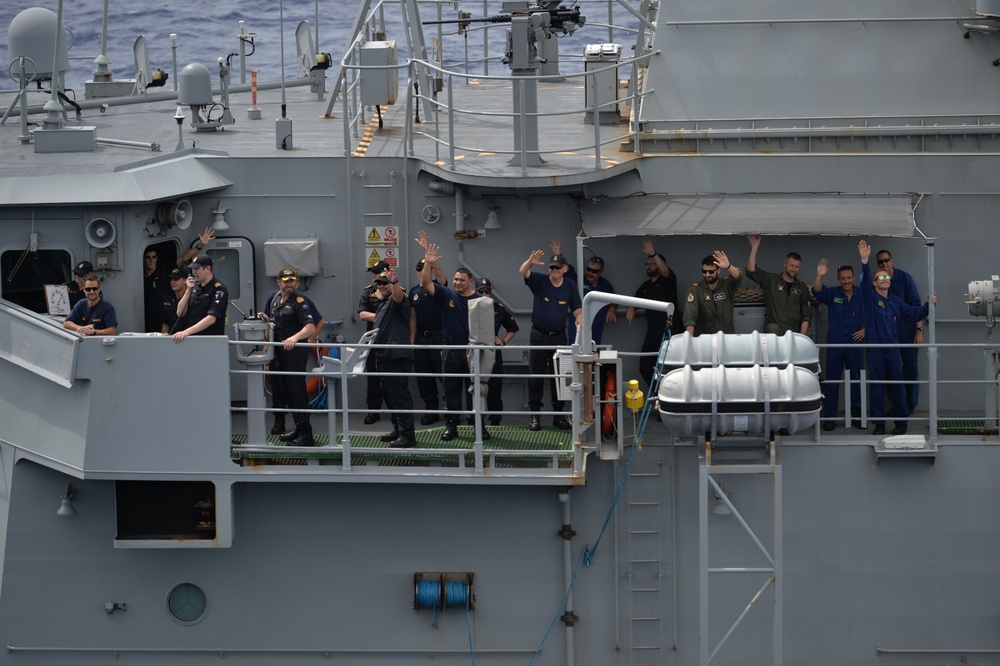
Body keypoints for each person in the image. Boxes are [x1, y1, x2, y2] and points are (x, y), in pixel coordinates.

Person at [858, 241, 935, 436]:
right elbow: (865, 281)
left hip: (893, 350)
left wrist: (929, 305)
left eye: (886, 277)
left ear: (890, 282)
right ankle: (879, 424)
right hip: (875, 350)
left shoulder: (896, 302)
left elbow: (914, 312)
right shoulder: (869, 299)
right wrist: (865, 261)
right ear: (874, 283)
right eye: (879, 277)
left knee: (898, 387)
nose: (884, 278)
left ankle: (901, 423)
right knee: (876, 388)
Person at [421, 241, 482, 441]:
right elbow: (426, 284)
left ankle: (478, 426)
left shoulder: (480, 300)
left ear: (470, 281)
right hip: (451, 351)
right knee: (451, 389)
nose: (457, 283)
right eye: (455, 279)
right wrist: (429, 263)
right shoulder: (447, 294)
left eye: (461, 280)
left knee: (475, 390)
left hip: (473, 351)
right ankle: (451, 425)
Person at [519, 249, 582, 431]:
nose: (554, 271)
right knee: (536, 377)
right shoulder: (540, 281)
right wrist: (530, 261)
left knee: (560, 378)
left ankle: (559, 415)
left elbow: (577, 307)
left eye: (557, 268)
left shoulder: (569, 285)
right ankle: (535, 416)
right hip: (539, 336)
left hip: (559, 337)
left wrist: (579, 317)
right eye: (551, 267)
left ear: (565, 269)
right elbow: (523, 272)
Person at [260, 268, 317, 446]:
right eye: (285, 281)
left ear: (297, 283)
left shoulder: (300, 303)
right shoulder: (276, 300)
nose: (289, 284)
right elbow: (280, 322)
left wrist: (294, 337)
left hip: (293, 357)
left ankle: (307, 435)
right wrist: (267, 320)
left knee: (298, 394)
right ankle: (298, 429)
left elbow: (310, 327)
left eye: (292, 281)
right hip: (278, 356)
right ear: (279, 282)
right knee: (287, 394)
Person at [812, 259, 865, 431]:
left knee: (856, 381)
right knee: (832, 382)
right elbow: (818, 292)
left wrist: (866, 329)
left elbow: (872, 315)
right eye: (843, 278)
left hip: (855, 346)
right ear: (838, 279)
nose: (846, 281)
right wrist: (819, 275)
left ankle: (857, 416)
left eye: (849, 278)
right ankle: (830, 417)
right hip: (835, 345)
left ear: (854, 277)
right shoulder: (833, 293)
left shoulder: (862, 295)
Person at [625, 236, 681, 391]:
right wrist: (631, 308)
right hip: (653, 333)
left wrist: (654, 253)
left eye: (652, 264)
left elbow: (665, 271)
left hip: (670, 332)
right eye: (647, 264)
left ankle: (669, 399)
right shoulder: (646, 286)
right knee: (644, 367)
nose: (649, 266)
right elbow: (635, 300)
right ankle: (659, 395)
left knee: (670, 369)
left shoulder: (668, 281)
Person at [371, 269, 418, 448]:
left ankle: (408, 436)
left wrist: (395, 282)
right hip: (384, 356)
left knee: (399, 396)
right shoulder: (383, 303)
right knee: (390, 396)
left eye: (385, 283)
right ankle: (398, 429)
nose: (382, 286)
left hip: (396, 356)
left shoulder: (397, 300)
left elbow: (399, 296)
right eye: (379, 283)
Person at [874, 249, 923, 415]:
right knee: (891, 372)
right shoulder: (876, 283)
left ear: (892, 261)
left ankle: (909, 406)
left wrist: (919, 331)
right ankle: (896, 406)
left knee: (910, 369)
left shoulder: (905, 278)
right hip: (887, 336)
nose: (884, 264)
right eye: (880, 262)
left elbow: (916, 305)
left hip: (907, 332)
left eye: (886, 260)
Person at [144, 229, 215, 332]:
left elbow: (183, 258)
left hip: (170, 310)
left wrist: (201, 245)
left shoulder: (164, 271)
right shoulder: (141, 276)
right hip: (152, 316)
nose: (151, 261)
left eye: (153, 257)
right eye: (148, 258)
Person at [409, 236, 447, 425]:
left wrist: (429, 258)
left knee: (444, 376)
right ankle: (431, 411)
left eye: (427, 269)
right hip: (422, 340)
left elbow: (441, 276)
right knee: (424, 378)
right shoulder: (413, 292)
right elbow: (413, 318)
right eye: (421, 270)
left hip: (439, 337)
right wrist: (412, 342)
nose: (422, 272)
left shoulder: (439, 288)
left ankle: (450, 411)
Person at [745, 234, 812, 335]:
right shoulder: (771, 280)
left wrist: (801, 338)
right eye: (791, 265)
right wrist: (754, 248)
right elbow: (751, 272)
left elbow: (806, 316)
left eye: (797, 267)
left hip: (793, 335)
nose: (794, 269)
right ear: (785, 264)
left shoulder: (802, 288)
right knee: (773, 328)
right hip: (773, 335)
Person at [476, 277, 519, 425]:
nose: (483, 294)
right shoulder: (469, 307)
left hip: (493, 351)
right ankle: (475, 420)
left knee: (494, 388)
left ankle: (495, 420)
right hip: (474, 351)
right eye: (480, 291)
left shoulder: (498, 308)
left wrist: (503, 341)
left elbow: (513, 328)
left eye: (486, 291)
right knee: (474, 387)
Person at [358, 260, 389, 424]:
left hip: (391, 341)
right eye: (373, 272)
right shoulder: (368, 292)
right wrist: (383, 317)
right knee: (372, 377)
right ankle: (373, 411)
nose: (374, 275)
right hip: (373, 342)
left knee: (392, 378)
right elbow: (362, 315)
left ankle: (395, 412)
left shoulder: (395, 290)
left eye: (376, 272)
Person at [171, 254, 230, 342]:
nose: (194, 272)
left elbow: (211, 319)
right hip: (193, 339)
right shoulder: (195, 287)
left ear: (207, 269)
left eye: (197, 269)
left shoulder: (219, 289)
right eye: (193, 269)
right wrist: (188, 290)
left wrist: (186, 332)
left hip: (209, 340)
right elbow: (180, 313)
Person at [683, 251, 743, 335]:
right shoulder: (696, 290)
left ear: (718, 271)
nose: (707, 275)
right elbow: (690, 317)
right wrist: (688, 339)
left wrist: (728, 266)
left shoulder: (727, 285)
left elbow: (738, 277)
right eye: (704, 272)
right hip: (706, 338)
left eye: (711, 272)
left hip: (728, 336)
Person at [160, 267, 189, 334]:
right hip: (171, 338)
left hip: (187, 337)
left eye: (176, 279)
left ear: (185, 281)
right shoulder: (167, 300)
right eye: (171, 279)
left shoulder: (192, 299)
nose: (173, 282)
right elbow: (165, 323)